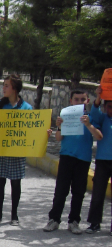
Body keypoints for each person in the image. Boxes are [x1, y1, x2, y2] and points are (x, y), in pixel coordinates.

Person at [0, 73, 50, 226]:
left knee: (15, 183)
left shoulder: (26, 108)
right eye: (3, 85)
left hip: (17, 150)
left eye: (6, 85)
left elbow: (32, 129)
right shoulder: (0, 105)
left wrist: (44, 133)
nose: (3, 88)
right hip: (1, 150)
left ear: (14, 88)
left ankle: (14, 215)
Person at [43, 90, 100, 234]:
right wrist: (60, 126)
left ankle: (74, 221)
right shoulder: (65, 115)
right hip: (67, 156)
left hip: (83, 158)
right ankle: (54, 219)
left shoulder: (91, 117)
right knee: (61, 190)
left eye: (83, 99)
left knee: (79, 192)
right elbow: (58, 138)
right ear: (71, 101)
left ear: (87, 101)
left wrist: (88, 124)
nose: (79, 102)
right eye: (76, 99)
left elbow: (98, 136)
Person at [84, 87, 111, 234]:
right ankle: (94, 223)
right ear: (105, 107)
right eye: (109, 106)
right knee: (98, 193)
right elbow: (94, 113)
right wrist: (99, 97)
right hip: (102, 161)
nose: (111, 109)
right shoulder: (102, 118)